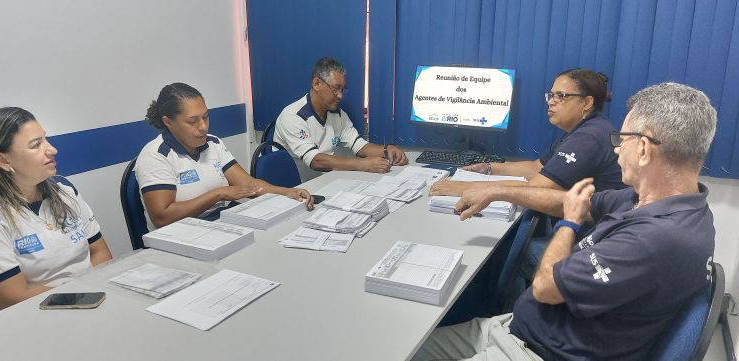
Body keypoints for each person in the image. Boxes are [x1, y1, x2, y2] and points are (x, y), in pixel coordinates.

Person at [413, 82, 717, 360]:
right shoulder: (660, 202)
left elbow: (545, 286)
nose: (615, 148)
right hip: (519, 329)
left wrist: (569, 225)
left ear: (643, 148)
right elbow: (572, 202)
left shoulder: (656, 239)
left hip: (543, 353)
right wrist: (497, 191)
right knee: (408, 348)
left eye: (621, 139)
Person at [0, 107, 113, 319]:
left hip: (92, 305)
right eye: (36, 145)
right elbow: (14, 300)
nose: (52, 149)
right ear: (3, 160)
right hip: (27, 323)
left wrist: (98, 298)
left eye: (46, 139)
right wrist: (88, 298)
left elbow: (99, 251)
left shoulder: (63, 191)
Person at [136, 82, 314, 230]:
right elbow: (163, 218)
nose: (203, 126)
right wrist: (218, 194)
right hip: (181, 235)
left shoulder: (213, 143)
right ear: (168, 122)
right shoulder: (155, 156)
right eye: (192, 121)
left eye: (206, 117)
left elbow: (248, 184)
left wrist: (288, 193)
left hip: (221, 224)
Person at [430, 68, 624, 196]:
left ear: (587, 103)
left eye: (561, 96)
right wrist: (488, 168)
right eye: (551, 95)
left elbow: (537, 188)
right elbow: (535, 167)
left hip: (588, 238)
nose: (551, 101)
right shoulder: (586, 128)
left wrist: (462, 188)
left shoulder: (588, 137)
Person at [274, 57, 408, 181]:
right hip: (296, 187)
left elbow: (359, 145)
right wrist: (362, 164)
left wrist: (387, 150)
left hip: (326, 180)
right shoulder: (293, 116)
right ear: (316, 84)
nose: (340, 96)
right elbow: (315, 161)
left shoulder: (337, 114)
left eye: (343, 90)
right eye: (336, 89)